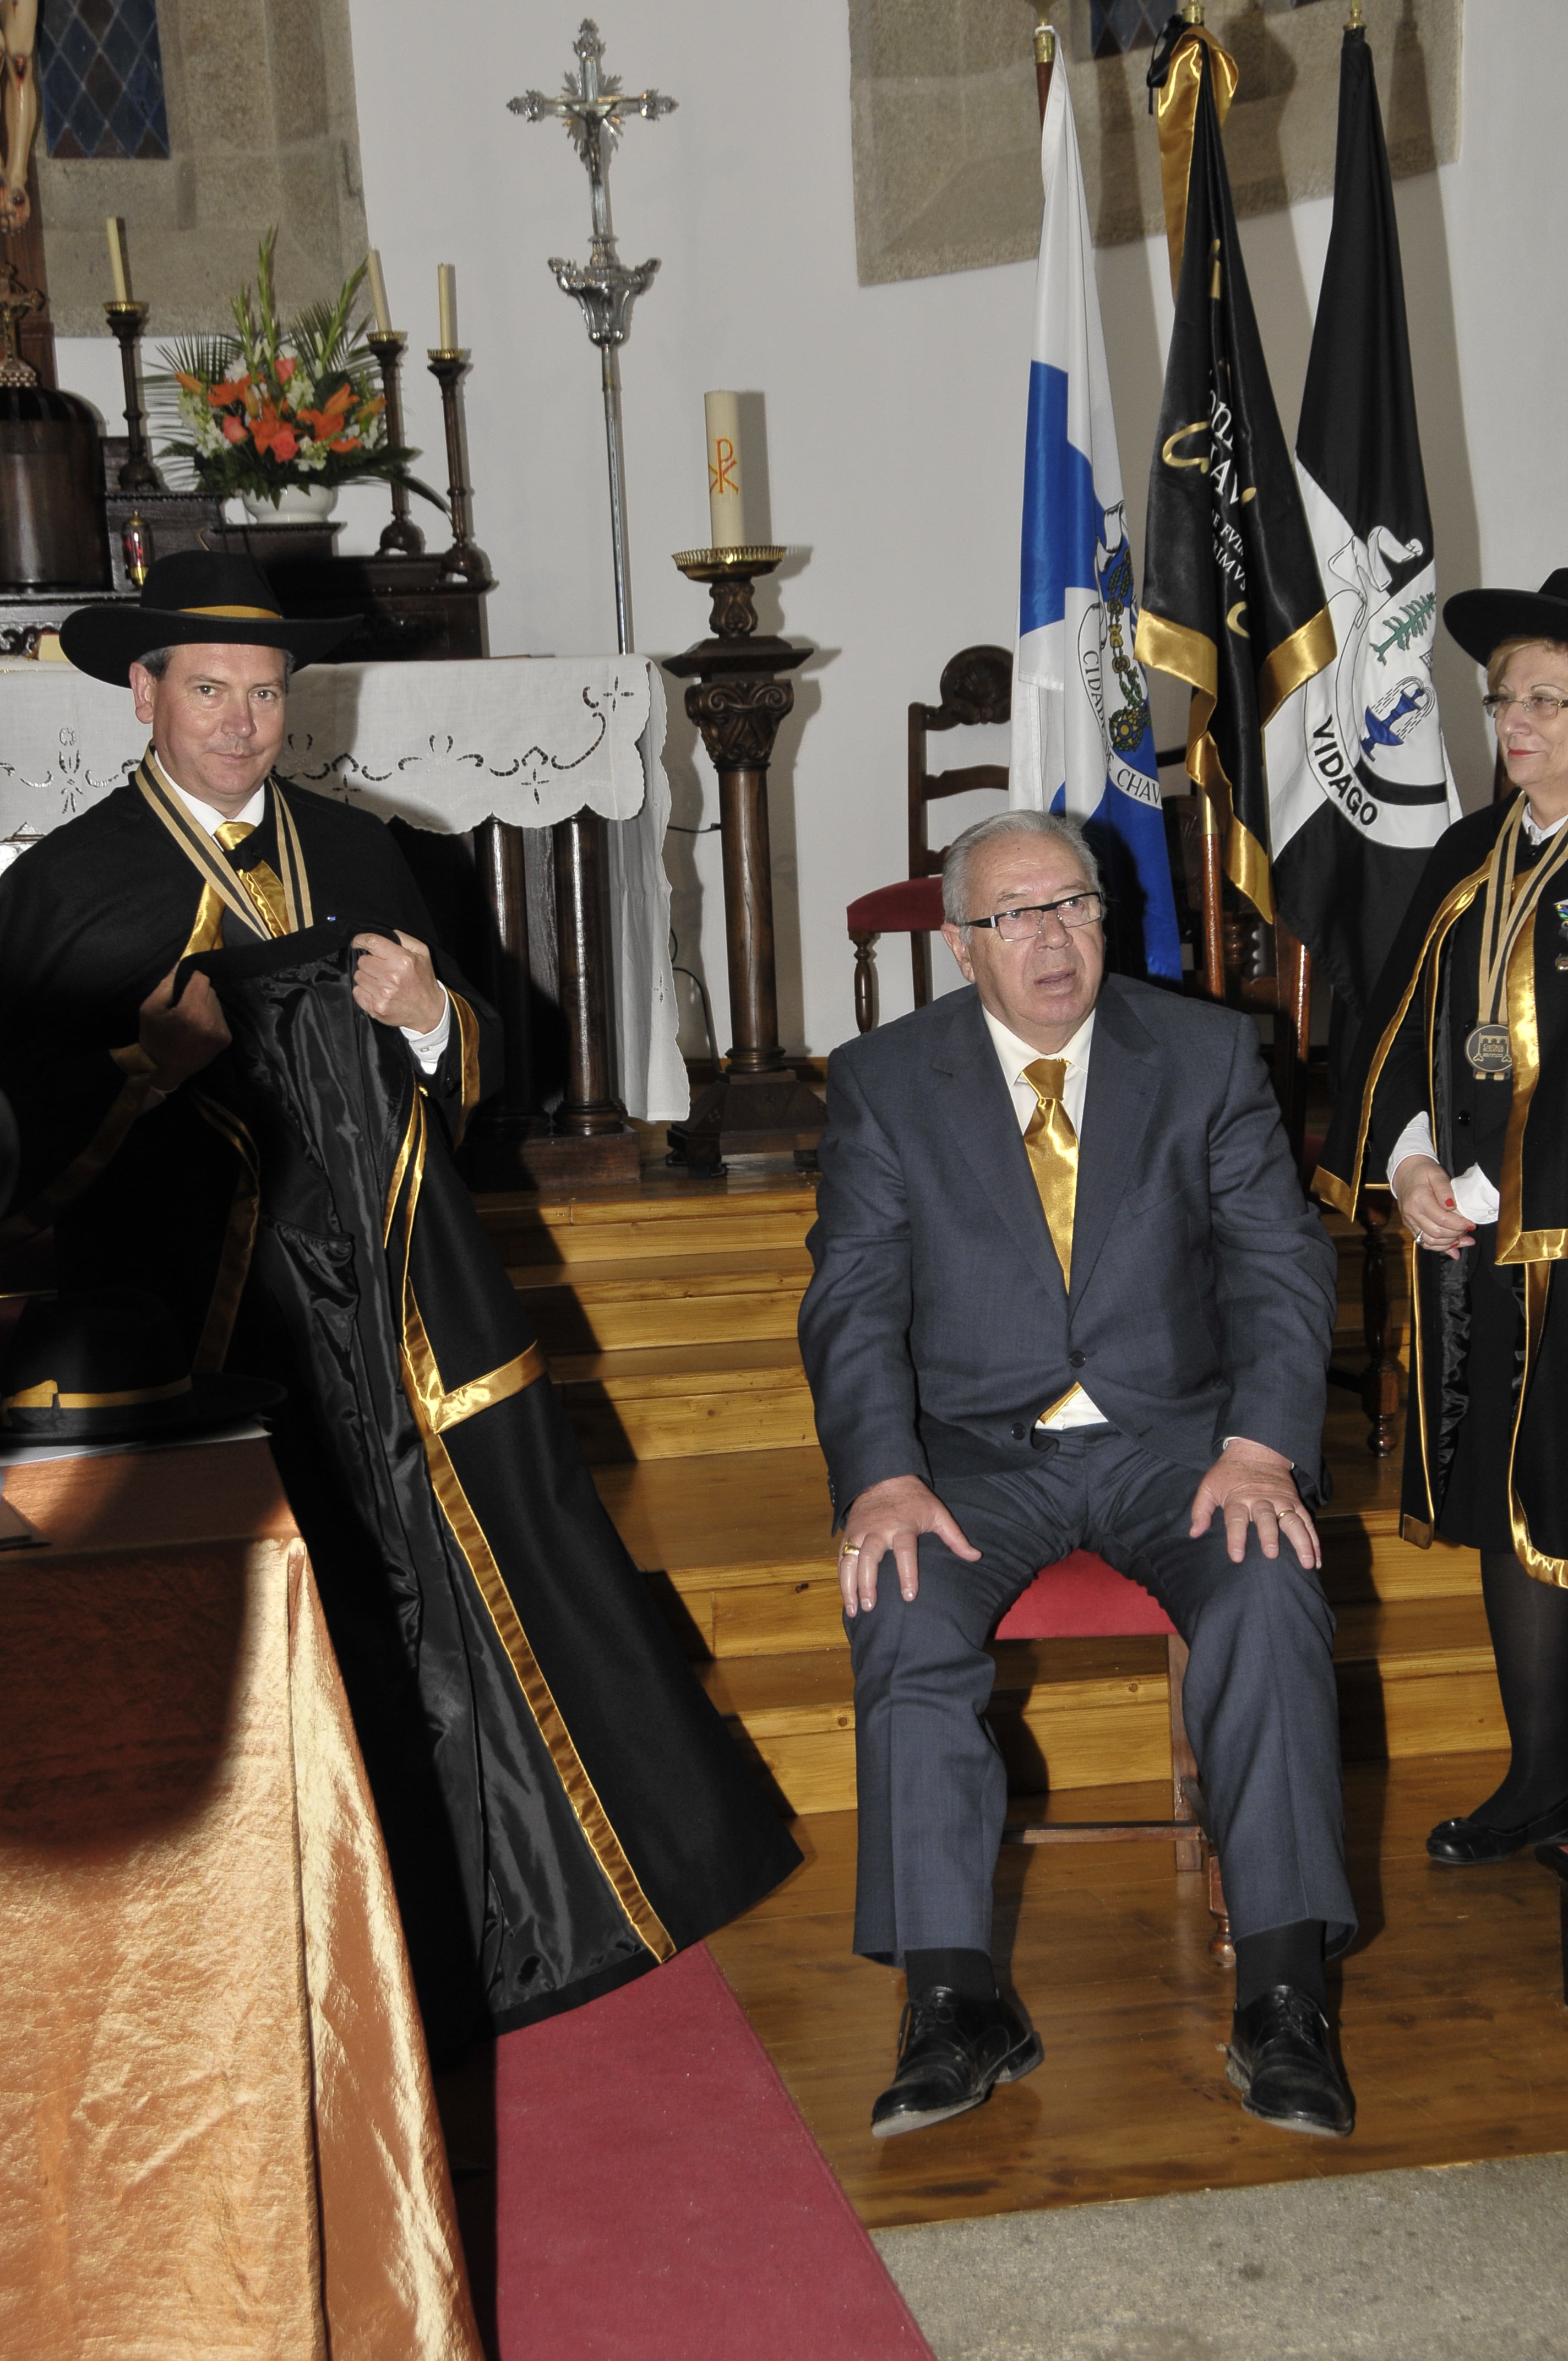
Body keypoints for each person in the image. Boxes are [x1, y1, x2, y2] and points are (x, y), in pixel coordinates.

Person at [0, 551, 799, 2062]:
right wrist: (145, 1069)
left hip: (402, 1304)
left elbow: (488, 1046)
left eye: (265, 694)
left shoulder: (361, 849)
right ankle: (297, 1971)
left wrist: (432, 1018)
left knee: (472, 1600)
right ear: (144, 694)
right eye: (210, 690)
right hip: (210, 1332)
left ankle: (525, 1920)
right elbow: (19, 1152)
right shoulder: (62, 887)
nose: (241, 722)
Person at [798, 808, 1355, 2141]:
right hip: (974, 1453)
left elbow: (1278, 1263)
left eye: (1074, 905)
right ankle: (952, 1997)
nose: (1052, 938)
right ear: (959, 944)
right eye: (1014, 916)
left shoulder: (1205, 1053)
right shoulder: (884, 1078)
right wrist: (879, 1476)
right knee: (900, 1597)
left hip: (1182, 1443)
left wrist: (1259, 1447)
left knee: (1267, 1585)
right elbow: (852, 1300)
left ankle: (1282, 1993)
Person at [1318, 570, 1568, 1871]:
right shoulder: (1471, 853)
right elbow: (1402, 1024)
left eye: (1543, 701)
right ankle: (1538, 1780)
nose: (1510, 722)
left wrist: (1490, 1191)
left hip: (1557, 1245)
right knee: (1507, 1500)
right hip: (1481, 1260)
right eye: (1501, 699)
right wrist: (1410, 1159)